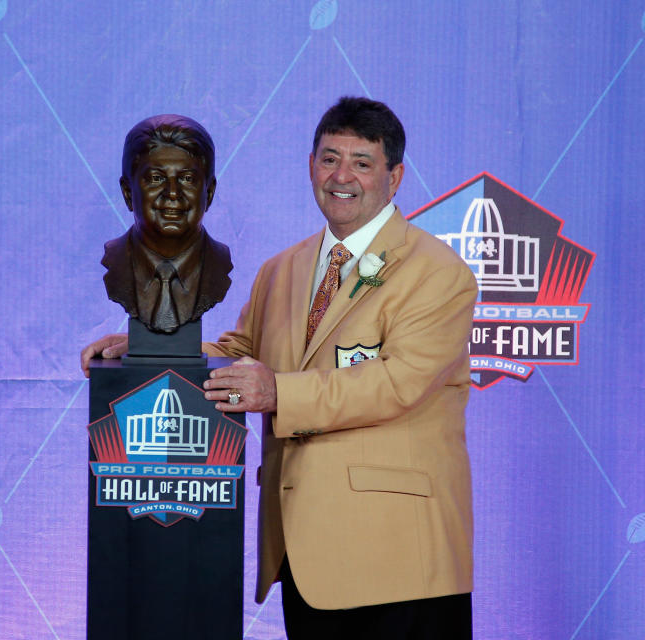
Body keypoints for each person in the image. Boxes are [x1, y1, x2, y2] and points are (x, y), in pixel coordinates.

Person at [82, 96, 477, 639]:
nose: (342, 176)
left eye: (362, 162)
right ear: (311, 165)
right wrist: (145, 350)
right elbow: (241, 350)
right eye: (329, 158)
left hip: (399, 562)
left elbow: (398, 383)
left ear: (396, 176)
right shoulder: (284, 268)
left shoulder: (437, 271)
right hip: (305, 556)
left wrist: (279, 394)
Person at [102, 114, 232, 334]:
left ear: (209, 193)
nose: (173, 193)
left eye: (187, 179)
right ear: (127, 193)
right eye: (156, 178)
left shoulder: (218, 263)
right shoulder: (116, 260)